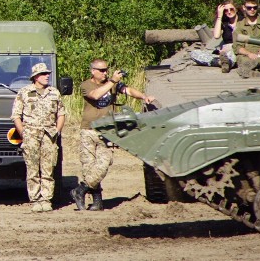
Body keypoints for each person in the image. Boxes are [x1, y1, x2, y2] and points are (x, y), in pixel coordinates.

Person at [71, 59, 155, 211]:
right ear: (93, 71)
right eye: (101, 70)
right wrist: (112, 81)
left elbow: (128, 90)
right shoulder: (86, 85)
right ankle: (97, 202)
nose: (105, 73)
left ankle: (80, 190)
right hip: (88, 130)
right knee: (89, 167)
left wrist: (143, 96)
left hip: (107, 131)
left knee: (104, 163)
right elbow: (96, 95)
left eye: (106, 70)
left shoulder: (113, 83)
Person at [10, 63, 65, 213]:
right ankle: (35, 199)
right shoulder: (25, 92)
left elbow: (61, 113)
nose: (47, 75)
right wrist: (23, 133)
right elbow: (16, 115)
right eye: (43, 74)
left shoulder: (54, 93)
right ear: (35, 77)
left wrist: (57, 130)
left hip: (49, 136)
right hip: (31, 135)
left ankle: (46, 199)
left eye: (47, 73)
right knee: (33, 168)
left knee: (48, 168)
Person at [189, 0, 238, 72]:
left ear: (236, 9)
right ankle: (220, 62)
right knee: (194, 53)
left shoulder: (242, 22)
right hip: (223, 53)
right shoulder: (225, 23)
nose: (229, 12)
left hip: (236, 51)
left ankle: (228, 62)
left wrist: (230, 47)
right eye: (226, 10)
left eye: (231, 9)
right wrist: (219, 16)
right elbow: (216, 35)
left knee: (232, 56)